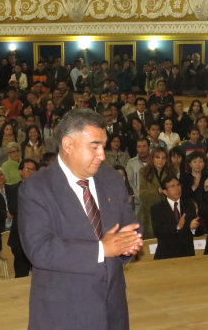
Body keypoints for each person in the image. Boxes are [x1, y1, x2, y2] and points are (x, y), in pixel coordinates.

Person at [18, 108, 142, 330]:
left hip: (113, 309)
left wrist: (129, 242)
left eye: (103, 146)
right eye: (95, 146)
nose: (102, 155)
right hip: (64, 313)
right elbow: (40, 249)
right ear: (68, 145)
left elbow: (129, 225)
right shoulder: (36, 188)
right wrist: (101, 249)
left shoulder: (111, 178)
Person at [150, 175, 202, 260]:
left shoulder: (189, 205)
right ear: (165, 192)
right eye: (172, 186)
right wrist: (178, 227)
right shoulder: (157, 208)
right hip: (166, 256)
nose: (177, 188)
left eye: (178, 185)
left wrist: (193, 228)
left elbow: (200, 230)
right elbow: (158, 232)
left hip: (187, 255)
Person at [6, 159, 38, 277]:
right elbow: (14, 210)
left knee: (39, 273)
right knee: (21, 273)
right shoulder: (12, 189)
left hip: (38, 237)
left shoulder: (42, 188)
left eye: (33, 170)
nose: (31, 172)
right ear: (20, 172)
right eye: (27, 169)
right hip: (19, 237)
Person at [139, 147, 174, 239]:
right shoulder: (144, 172)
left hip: (167, 213)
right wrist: (158, 191)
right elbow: (142, 195)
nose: (160, 160)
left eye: (163, 158)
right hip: (149, 213)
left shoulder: (171, 172)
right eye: (157, 157)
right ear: (152, 158)